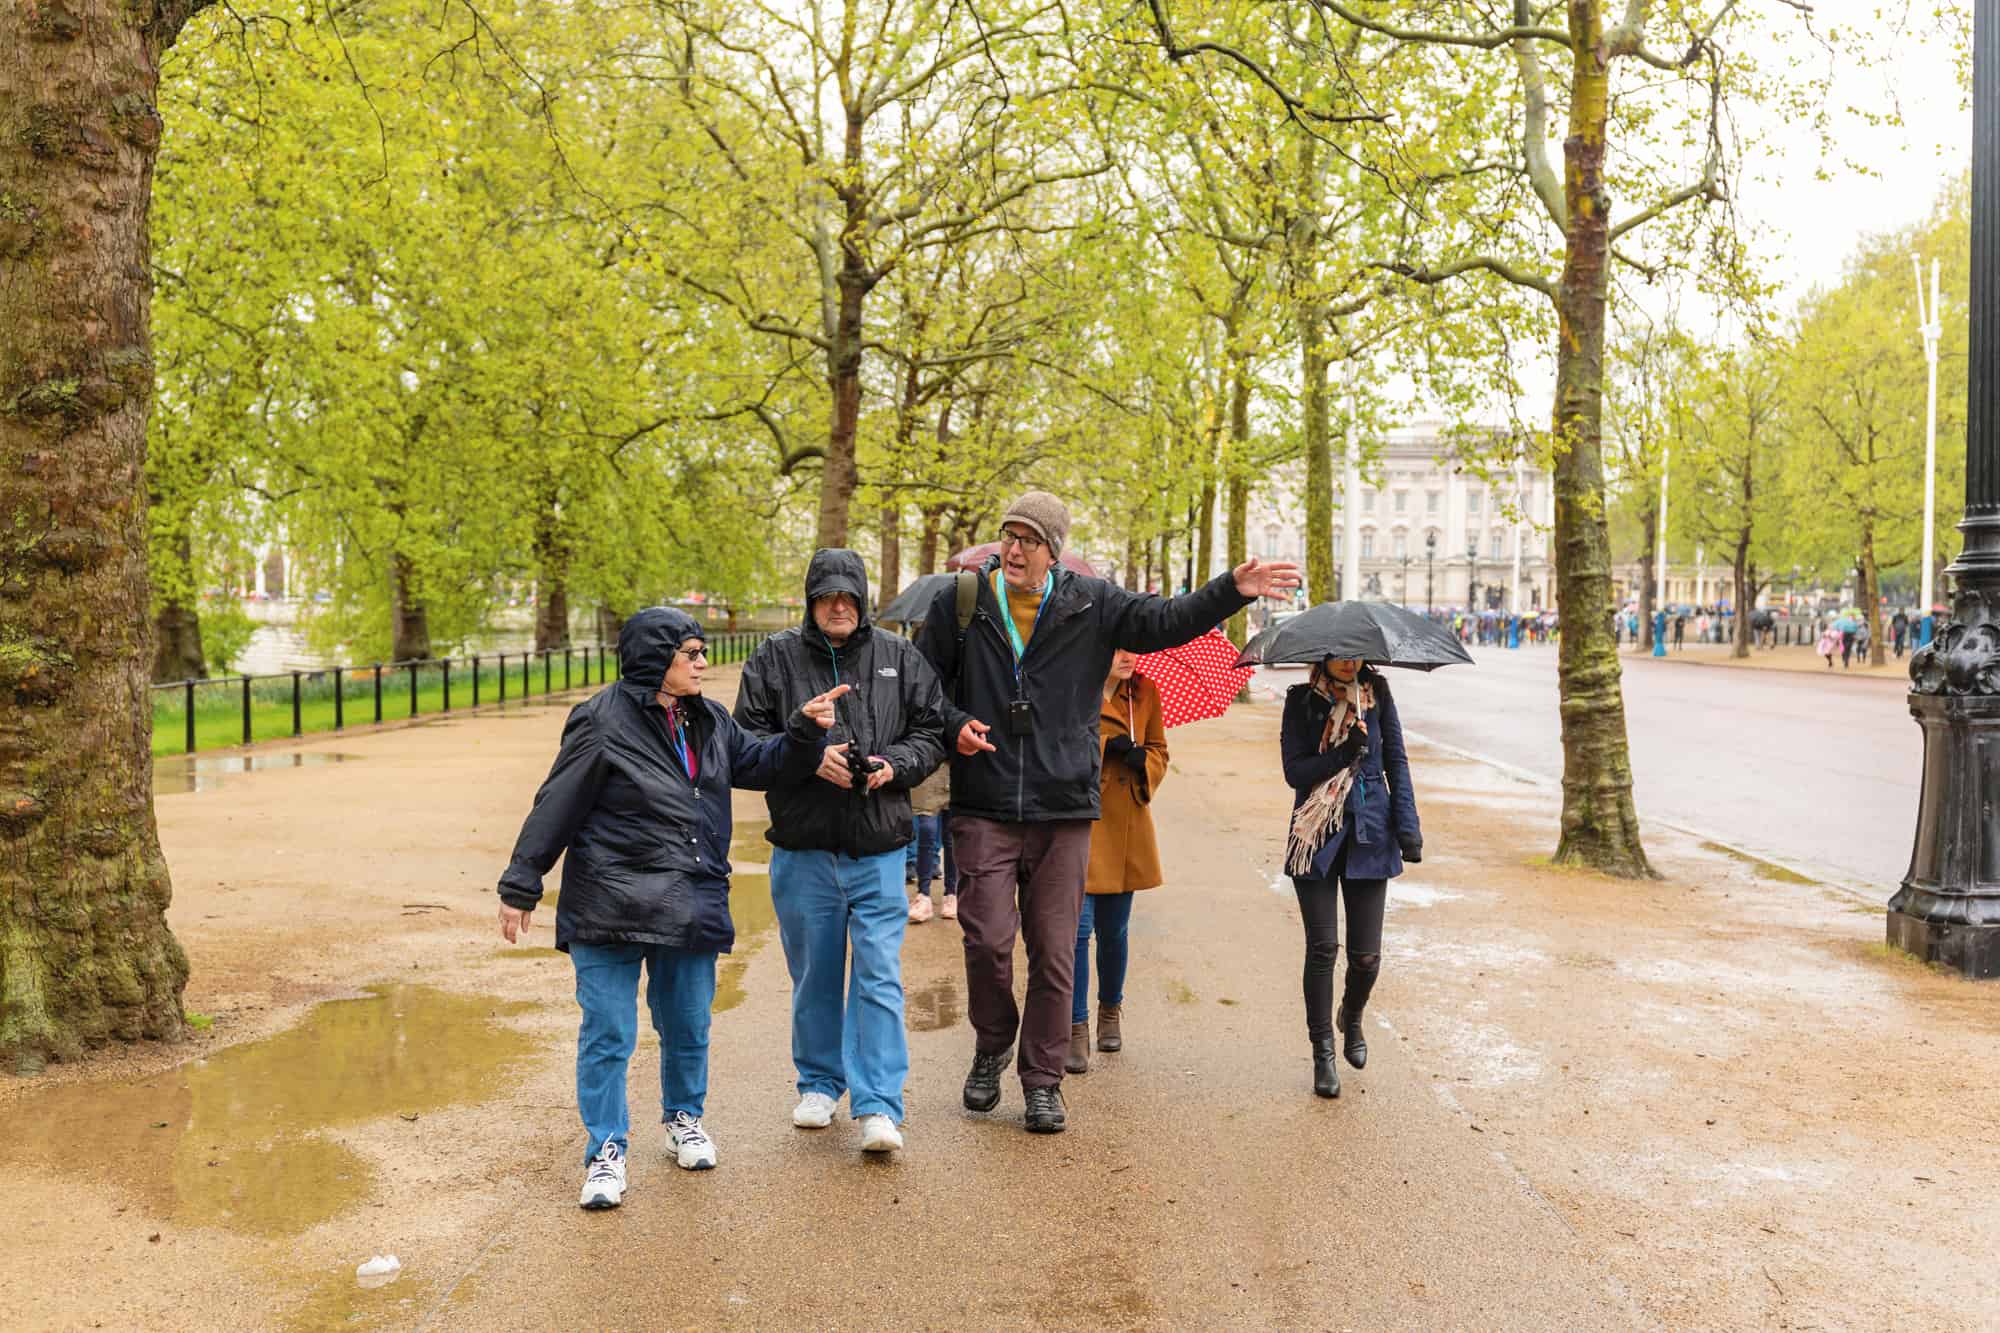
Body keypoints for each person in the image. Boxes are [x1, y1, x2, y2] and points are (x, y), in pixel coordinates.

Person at [916, 490, 1299, 1133]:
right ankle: (991, 1047)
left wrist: (1232, 589)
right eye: (1008, 536)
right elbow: (925, 688)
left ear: (1052, 550)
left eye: (1029, 539)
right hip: (983, 802)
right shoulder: (960, 602)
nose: (1014, 548)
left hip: (1064, 805)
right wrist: (953, 723)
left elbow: (1169, 619)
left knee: (1057, 949)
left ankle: (1041, 1080)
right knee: (986, 941)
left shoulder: (1092, 604)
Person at [497, 608, 846, 1208]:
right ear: (656, 658)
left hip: (690, 899)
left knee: (688, 1025)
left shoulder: (709, 719)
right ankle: (606, 1150)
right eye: (691, 653)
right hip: (609, 903)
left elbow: (759, 765)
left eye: (703, 652)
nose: (703, 663)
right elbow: (557, 801)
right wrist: (522, 881)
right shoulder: (600, 721)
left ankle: (684, 1118)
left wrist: (803, 732)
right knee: (608, 1032)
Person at [733, 549, 950, 1155]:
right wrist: (807, 754)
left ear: (862, 601)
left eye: (848, 597)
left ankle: (879, 1103)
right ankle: (819, 1084)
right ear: (810, 601)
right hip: (803, 849)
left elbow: (930, 732)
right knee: (815, 976)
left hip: (878, 847)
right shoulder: (774, 658)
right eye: (827, 597)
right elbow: (743, 746)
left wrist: (892, 765)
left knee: (879, 977)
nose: (837, 607)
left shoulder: (899, 657)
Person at [1279, 656, 1422, 1099]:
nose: (1348, 661)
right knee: (1322, 948)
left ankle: (1352, 1015)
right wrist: (1343, 752)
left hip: (1370, 832)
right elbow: (1294, 772)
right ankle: (1323, 1052)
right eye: (1340, 652)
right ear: (1323, 655)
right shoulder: (1301, 700)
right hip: (1315, 833)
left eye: (1356, 653)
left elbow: (1396, 762)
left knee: (1366, 959)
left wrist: (1408, 829)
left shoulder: (1378, 697)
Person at [1068, 649, 1168, 1075]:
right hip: (1081, 820)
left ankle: (1110, 1010)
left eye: (1134, 649)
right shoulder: (1075, 688)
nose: (1129, 657)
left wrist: (1141, 761)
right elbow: (1058, 740)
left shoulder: (1144, 692)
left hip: (1125, 822)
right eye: (1118, 649)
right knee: (1077, 932)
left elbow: (1161, 750)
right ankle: (1074, 1027)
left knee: (1115, 931)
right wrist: (1108, 745)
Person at [908, 771, 957, 923]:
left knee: (951, 836)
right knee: (926, 831)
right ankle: (923, 895)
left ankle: (951, 893)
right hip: (931, 769)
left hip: (956, 769)